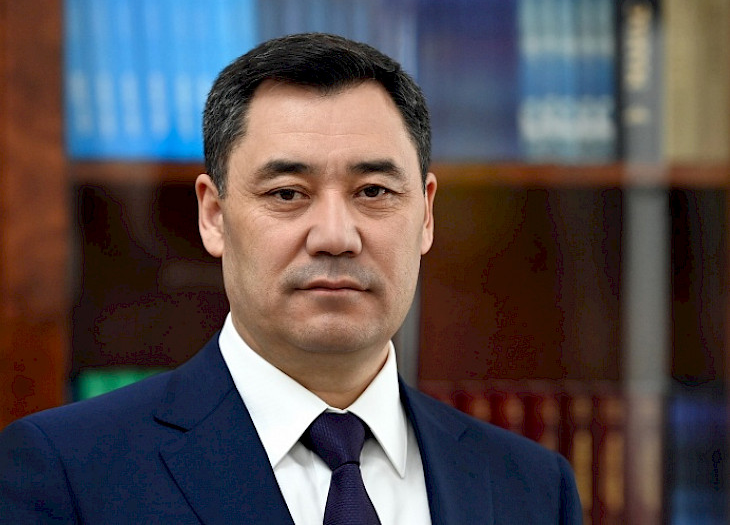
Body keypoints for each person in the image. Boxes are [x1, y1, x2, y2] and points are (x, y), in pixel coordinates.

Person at [0, 33, 581, 524]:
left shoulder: (532, 488)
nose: (335, 235)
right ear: (214, 215)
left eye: (373, 191)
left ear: (426, 214)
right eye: (286, 194)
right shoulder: (66, 472)